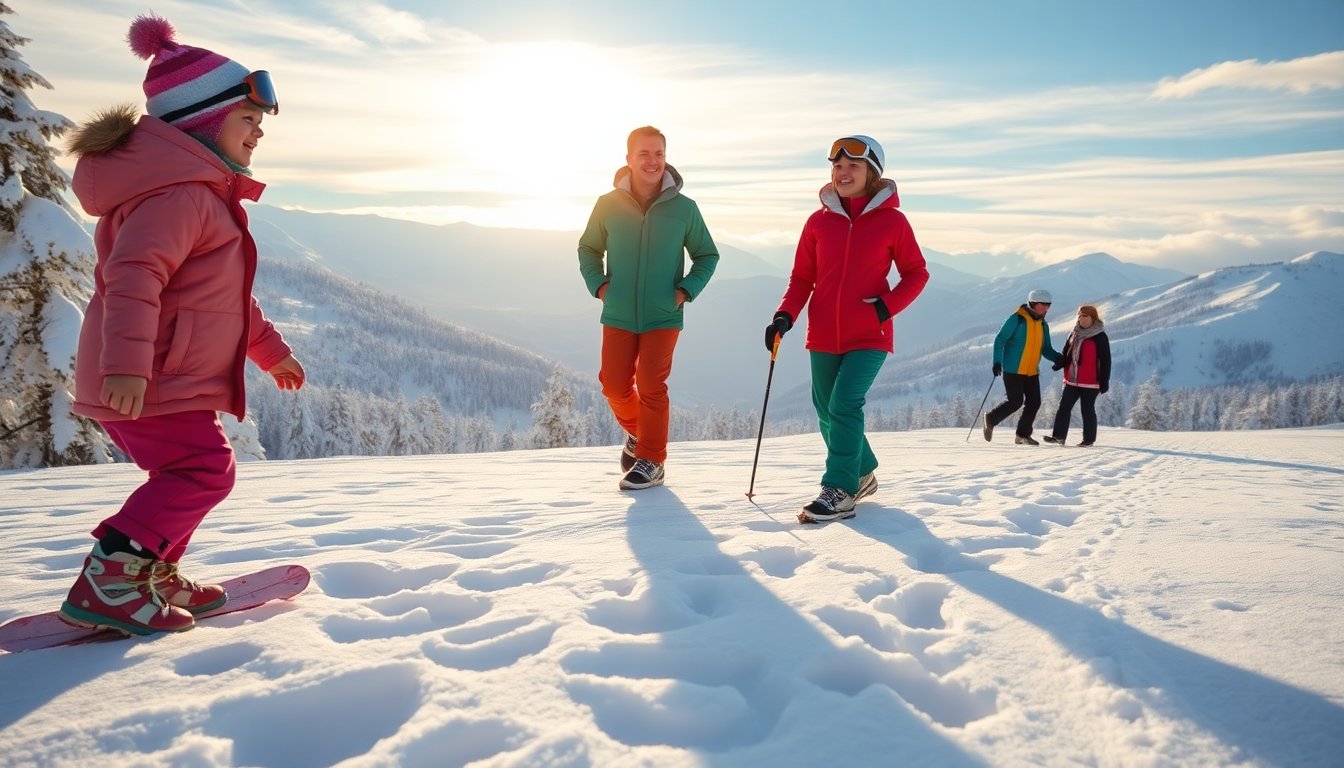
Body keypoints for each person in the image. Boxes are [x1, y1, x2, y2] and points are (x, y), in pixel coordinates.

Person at [58, 15, 304, 635]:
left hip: (163, 375)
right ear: (203, 121)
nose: (258, 133)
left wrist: (269, 351)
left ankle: (148, 572)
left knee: (191, 472)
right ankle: (114, 579)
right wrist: (127, 366)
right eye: (248, 119)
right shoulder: (182, 197)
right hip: (150, 377)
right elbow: (133, 278)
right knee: (203, 470)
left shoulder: (199, 194)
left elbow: (226, 300)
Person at [767, 135, 929, 522]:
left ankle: (840, 489)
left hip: (870, 334)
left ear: (871, 173)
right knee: (825, 408)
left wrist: (886, 308)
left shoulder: (893, 221)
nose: (843, 172)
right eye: (838, 166)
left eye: (853, 166)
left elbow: (916, 273)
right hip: (822, 332)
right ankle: (863, 470)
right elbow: (802, 277)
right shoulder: (818, 222)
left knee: (843, 404)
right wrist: (784, 315)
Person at [578, 126, 719, 490]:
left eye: (659, 154)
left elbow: (707, 255)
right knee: (613, 385)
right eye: (644, 154)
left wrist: (685, 291)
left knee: (652, 385)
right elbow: (588, 249)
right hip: (619, 311)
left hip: (663, 315)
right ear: (628, 159)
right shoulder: (607, 205)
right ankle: (643, 434)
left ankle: (652, 461)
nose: (652, 161)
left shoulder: (684, 209)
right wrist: (601, 286)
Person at [983, 289, 1065, 445]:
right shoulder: (1017, 320)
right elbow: (1000, 340)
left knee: (1034, 402)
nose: (1047, 309)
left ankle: (1022, 434)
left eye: (1049, 305)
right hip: (1013, 369)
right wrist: (996, 362)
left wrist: (1057, 358)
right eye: (1044, 305)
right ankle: (991, 419)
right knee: (1015, 401)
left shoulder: (1043, 325)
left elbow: (1045, 348)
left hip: (1032, 371)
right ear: (1033, 304)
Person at [1043, 304, 1111, 446]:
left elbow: (1106, 360)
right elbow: (1067, 353)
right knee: (1064, 407)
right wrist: (1060, 364)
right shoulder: (1074, 333)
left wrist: (1104, 381)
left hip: (1091, 381)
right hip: (1072, 379)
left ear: (1093, 317)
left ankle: (1088, 440)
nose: (1081, 318)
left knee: (1087, 409)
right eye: (1079, 315)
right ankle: (1058, 437)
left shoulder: (1100, 336)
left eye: (1085, 315)